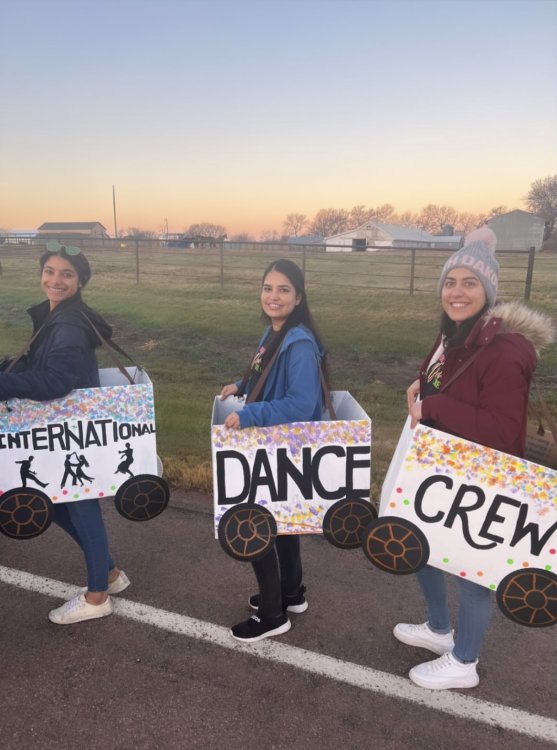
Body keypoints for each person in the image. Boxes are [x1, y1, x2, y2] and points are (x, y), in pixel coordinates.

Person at [394, 226, 555, 690]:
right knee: (422, 547)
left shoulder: (506, 348)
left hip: (483, 475)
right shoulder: (458, 333)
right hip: (442, 464)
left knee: (471, 568)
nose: (457, 291)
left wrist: (435, 406)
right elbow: (442, 377)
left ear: (489, 291)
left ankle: (464, 661)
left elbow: (504, 432)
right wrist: (421, 385)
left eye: (469, 283)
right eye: (450, 281)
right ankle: (440, 629)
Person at [0, 243, 130, 624]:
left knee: (80, 504)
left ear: (80, 281)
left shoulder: (69, 323)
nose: (56, 280)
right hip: (61, 430)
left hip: (74, 431)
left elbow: (58, 380)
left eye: (67, 274)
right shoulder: (57, 315)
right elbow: (43, 363)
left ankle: (97, 597)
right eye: (51, 271)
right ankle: (108, 573)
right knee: (53, 501)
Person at [220, 258, 328, 643]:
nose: (273, 296)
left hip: (281, 443)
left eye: (283, 289)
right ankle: (292, 593)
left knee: (257, 521)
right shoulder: (276, 332)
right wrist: (240, 384)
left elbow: (301, 403)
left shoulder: (298, 343)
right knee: (282, 518)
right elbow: (264, 371)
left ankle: (271, 614)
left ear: (298, 297)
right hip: (276, 444)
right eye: (268, 288)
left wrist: (253, 413)